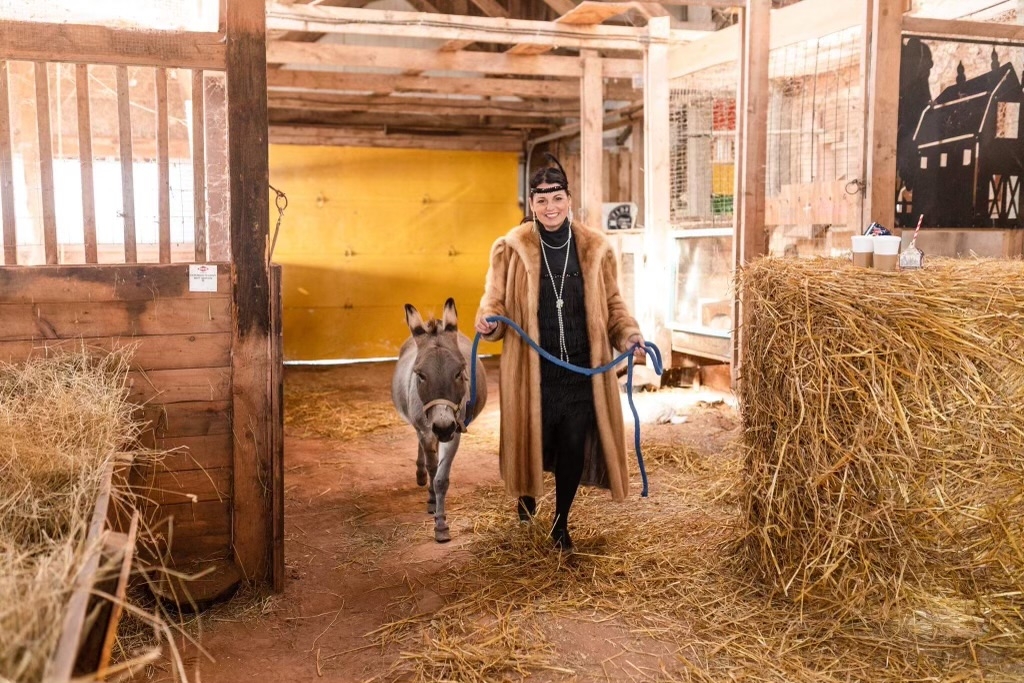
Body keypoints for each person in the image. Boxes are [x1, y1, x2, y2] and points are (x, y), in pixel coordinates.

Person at [474, 153, 646, 551]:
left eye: (557, 198)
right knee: (534, 442)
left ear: (570, 200)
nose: (550, 207)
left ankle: (561, 523)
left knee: (572, 443)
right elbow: (493, 302)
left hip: (581, 371)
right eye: (541, 200)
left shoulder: (595, 249)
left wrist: (630, 337)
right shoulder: (510, 249)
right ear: (531, 204)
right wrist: (490, 320)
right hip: (532, 373)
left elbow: (614, 307)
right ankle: (527, 499)